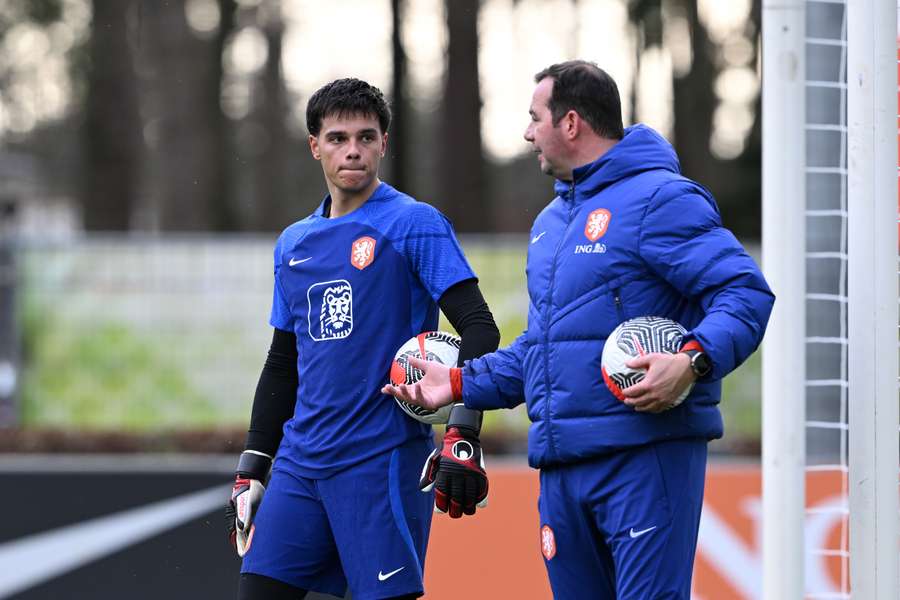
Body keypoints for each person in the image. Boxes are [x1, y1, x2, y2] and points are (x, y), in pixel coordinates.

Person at [384, 60, 774, 599]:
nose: (526, 133)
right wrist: (454, 384)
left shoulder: (662, 199)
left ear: (570, 124)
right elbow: (544, 351)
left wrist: (692, 360)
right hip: (561, 469)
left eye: (534, 118)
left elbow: (745, 292)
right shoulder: (549, 225)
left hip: (645, 458)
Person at [226, 77, 500, 600]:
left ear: (383, 144)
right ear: (314, 146)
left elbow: (479, 329)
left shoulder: (414, 224)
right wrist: (253, 464)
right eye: (337, 138)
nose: (352, 150)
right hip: (300, 466)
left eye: (366, 137)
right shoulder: (293, 244)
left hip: (382, 463)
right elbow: (283, 362)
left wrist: (463, 431)